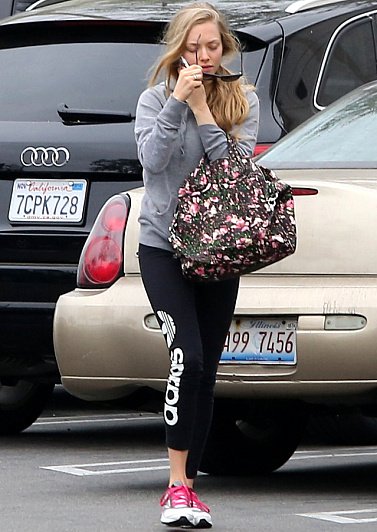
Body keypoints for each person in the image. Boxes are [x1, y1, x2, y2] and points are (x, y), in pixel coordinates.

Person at [134, 2, 259, 528]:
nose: (204, 56)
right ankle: (174, 486)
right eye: (193, 47)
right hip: (162, 248)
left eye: (212, 46)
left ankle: (189, 487)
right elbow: (152, 161)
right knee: (185, 355)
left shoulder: (243, 99)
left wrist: (206, 111)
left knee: (205, 368)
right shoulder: (154, 99)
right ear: (178, 50)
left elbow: (235, 173)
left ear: (225, 48)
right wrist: (177, 103)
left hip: (216, 252)